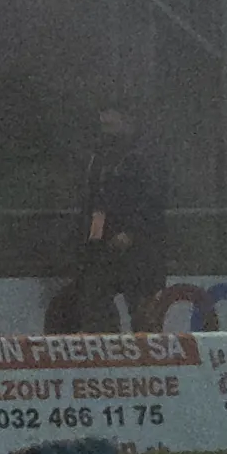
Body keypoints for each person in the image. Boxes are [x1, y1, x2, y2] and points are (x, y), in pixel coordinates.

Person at [56, 110, 165, 335]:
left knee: (142, 312)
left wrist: (132, 233)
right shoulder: (98, 160)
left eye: (112, 126)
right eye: (103, 126)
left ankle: (146, 360)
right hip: (103, 247)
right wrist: (89, 240)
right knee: (94, 303)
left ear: (127, 125)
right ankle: (108, 355)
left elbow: (152, 202)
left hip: (137, 249)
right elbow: (93, 203)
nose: (106, 132)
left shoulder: (142, 158)